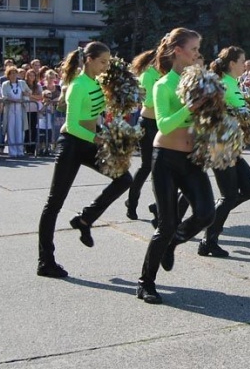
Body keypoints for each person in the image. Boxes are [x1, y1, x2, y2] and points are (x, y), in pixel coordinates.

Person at [37, 42, 133, 279]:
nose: (106, 66)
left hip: (90, 142)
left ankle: (85, 219)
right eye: (103, 62)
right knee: (54, 204)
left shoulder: (97, 83)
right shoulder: (77, 85)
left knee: (124, 179)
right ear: (89, 60)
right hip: (71, 144)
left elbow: (98, 114)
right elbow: (72, 125)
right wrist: (98, 139)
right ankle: (45, 261)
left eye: (108, 62)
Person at [138, 29, 215, 304]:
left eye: (197, 49)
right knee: (166, 223)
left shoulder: (199, 82)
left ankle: (174, 241)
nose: (197, 54)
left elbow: (207, 118)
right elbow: (165, 124)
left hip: (192, 159)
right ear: (178, 51)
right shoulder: (163, 85)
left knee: (206, 213)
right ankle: (145, 282)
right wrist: (192, 108)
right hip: (166, 159)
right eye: (193, 49)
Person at [197, 46, 250, 258]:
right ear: (232, 63)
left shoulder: (233, 82)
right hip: (220, 144)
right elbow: (211, 113)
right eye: (242, 61)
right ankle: (209, 240)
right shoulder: (221, 83)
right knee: (229, 195)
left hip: (232, 145)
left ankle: (212, 219)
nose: (245, 65)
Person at [125, 48, 160, 221]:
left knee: (161, 167)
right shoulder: (148, 74)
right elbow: (148, 101)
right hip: (148, 124)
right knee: (147, 166)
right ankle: (132, 201)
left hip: (162, 125)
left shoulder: (167, 74)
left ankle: (159, 207)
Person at [1, 67, 27, 158]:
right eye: (11, 73)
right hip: (10, 109)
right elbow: (3, 96)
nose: (13, 75)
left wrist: (24, 96)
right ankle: (12, 151)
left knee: (20, 130)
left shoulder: (22, 83)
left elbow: (28, 92)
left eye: (15, 73)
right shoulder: (5, 84)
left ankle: (20, 150)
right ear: (8, 75)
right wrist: (11, 99)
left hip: (20, 109)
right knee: (11, 130)